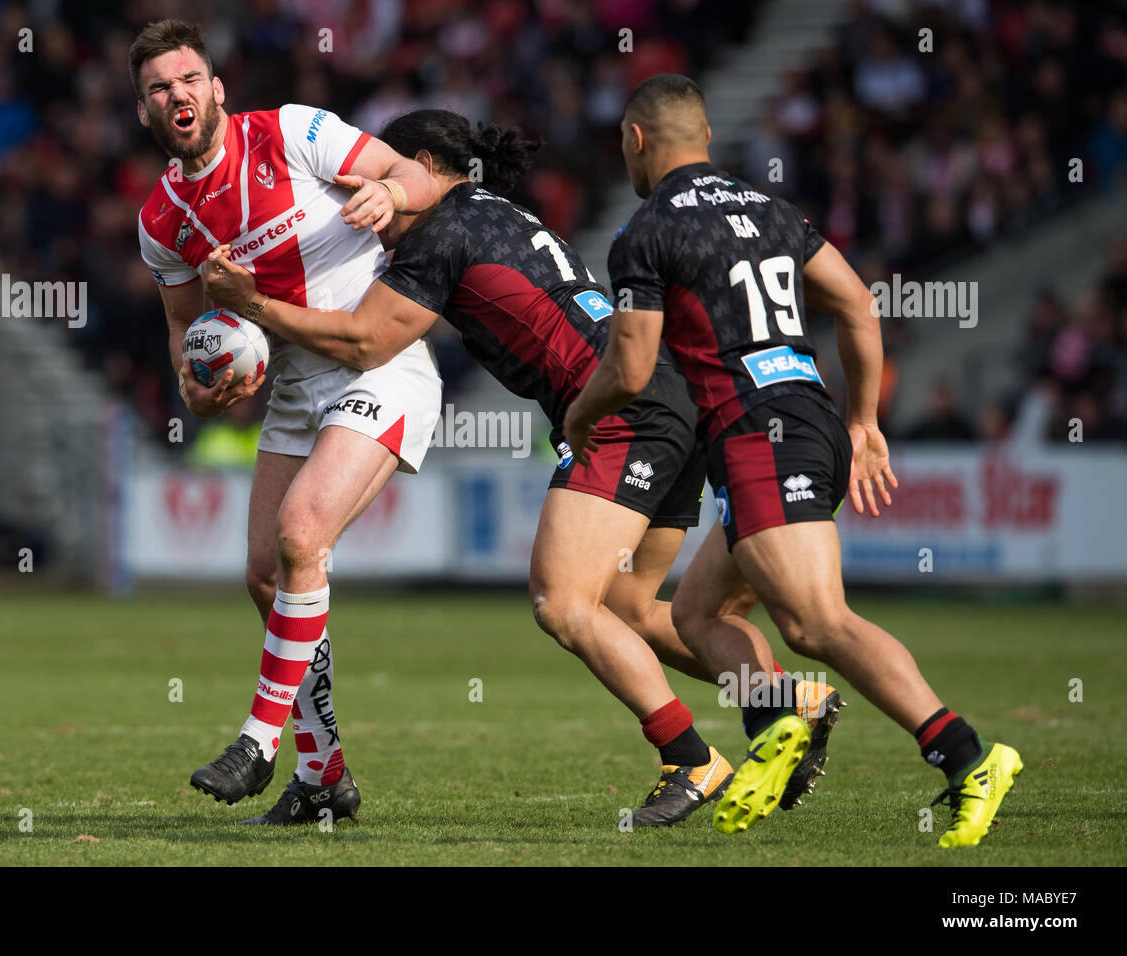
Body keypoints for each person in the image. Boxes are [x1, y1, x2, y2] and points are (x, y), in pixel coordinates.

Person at [204, 108, 841, 827]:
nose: (369, 197)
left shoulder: (440, 229)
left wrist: (251, 302)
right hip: (670, 401)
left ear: (424, 163)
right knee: (629, 610)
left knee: (561, 604)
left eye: (385, 174)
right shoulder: (486, 210)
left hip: (618, 410)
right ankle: (784, 700)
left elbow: (363, 343)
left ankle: (690, 758)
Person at [564, 74, 1021, 846]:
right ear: (707, 138)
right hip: (803, 417)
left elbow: (633, 369)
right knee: (696, 613)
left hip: (756, 432)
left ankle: (966, 756)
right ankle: (778, 717)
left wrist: (577, 415)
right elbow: (856, 303)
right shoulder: (773, 210)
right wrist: (865, 417)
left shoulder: (644, 231)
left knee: (816, 622)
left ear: (635, 141)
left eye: (624, 145)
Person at [131, 18, 445, 825]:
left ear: (217, 88)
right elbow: (182, 330)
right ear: (145, 113)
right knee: (266, 577)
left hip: (382, 361)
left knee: (303, 536)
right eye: (160, 87)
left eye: (189, 78)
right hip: (299, 384)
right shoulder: (162, 218)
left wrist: (391, 190)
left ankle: (259, 742)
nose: (178, 95)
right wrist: (196, 386)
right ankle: (325, 777)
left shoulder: (292, 133)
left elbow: (409, 171)